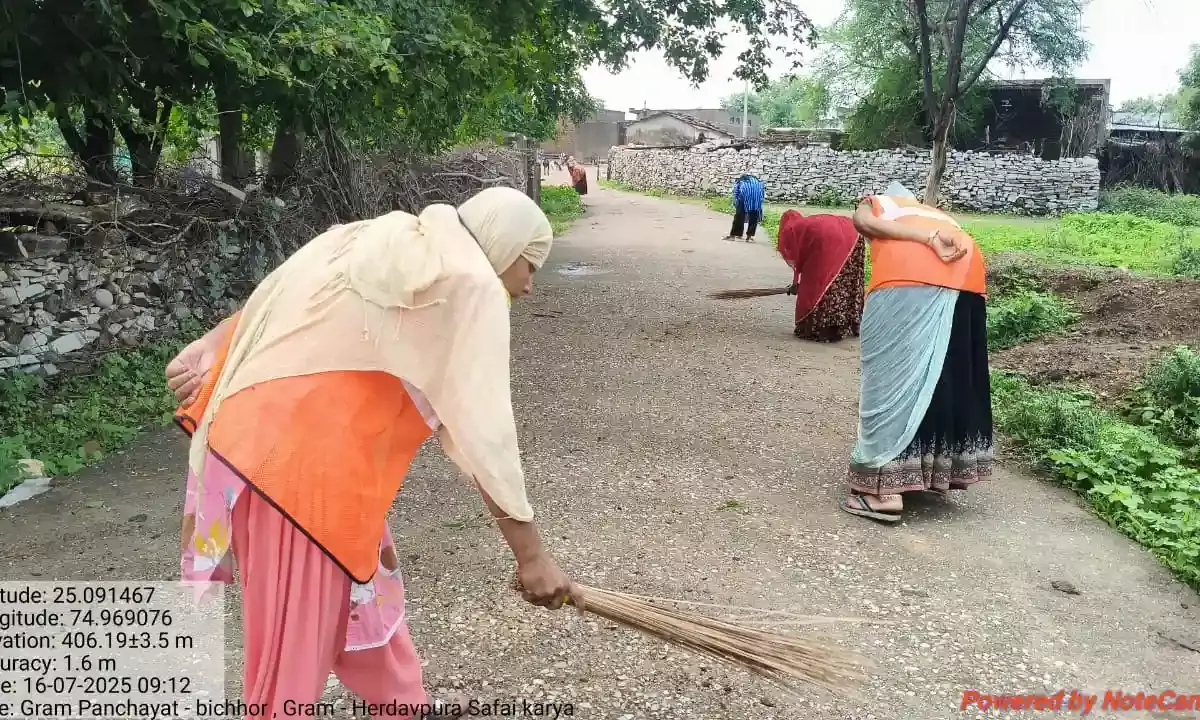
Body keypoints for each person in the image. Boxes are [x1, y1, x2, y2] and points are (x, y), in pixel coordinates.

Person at [165, 187, 578, 718]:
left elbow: (285, 290)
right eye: (531, 264)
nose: (530, 284)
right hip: (295, 482)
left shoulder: (386, 239)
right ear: (504, 245)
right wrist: (533, 558)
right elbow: (485, 435)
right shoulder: (471, 283)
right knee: (288, 664)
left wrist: (214, 342)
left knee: (370, 614)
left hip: (311, 468)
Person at [841, 182, 992, 523]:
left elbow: (862, 222)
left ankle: (879, 492)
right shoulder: (935, 213)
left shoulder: (878, 203)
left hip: (910, 280)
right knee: (944, 379)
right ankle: (934, 471)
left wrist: (922, 240)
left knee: (889, 378)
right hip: (969, 281)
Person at [776, 209, 866, 342]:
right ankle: (843, 322)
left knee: (819, 281)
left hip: (829, 235)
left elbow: (798, 261)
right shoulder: (807, 223)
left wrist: (797, 284)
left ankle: (819, 327)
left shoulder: (792, 229)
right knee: (842, 279)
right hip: (853, 232)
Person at [726, 174, 765, 243]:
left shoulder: (740, 181)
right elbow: (762, 193)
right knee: (753, 218)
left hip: (744, 198)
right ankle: (749, 237)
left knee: (739, 216)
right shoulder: (758, 182)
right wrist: (760, 202)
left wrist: (736, 203)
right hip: (756, 200)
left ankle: (734, 236)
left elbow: (736, 193)